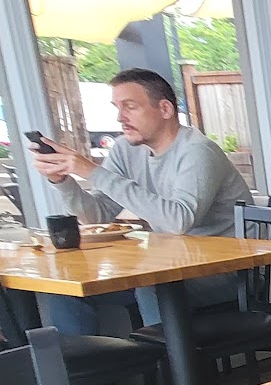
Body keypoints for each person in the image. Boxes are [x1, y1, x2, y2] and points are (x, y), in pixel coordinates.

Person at [29, 68, 253, 335]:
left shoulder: (198, 151)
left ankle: (167, 361)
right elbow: (98, 215)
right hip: (172, 265)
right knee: (68, 287)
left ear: (165, 109)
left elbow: (178, 221)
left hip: (229, 271)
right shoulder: (126, 150)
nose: (120, 117)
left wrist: (93, 172)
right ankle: (84, 363)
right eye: (117, 107)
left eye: (130, 107)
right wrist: (62, 180)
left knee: (153, 285)